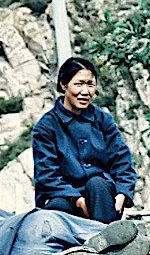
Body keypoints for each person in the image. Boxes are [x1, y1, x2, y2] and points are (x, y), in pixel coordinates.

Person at [32, 57, 136, 223]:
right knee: (57, 210)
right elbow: (47, 175)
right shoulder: (46, 127)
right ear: (63, 85)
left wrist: (122, 194)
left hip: (101, 197)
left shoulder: (103, 120)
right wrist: (78, 200)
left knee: (97, 184)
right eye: (79, 84)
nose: (85, 91)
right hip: (65, 197)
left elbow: (122, 161)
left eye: (90, 84)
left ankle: (108, 240)